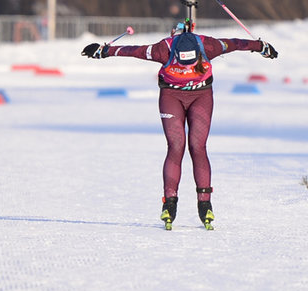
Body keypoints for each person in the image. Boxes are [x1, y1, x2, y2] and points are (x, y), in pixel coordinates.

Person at [82, 20, 277, 230]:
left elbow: (236, 43)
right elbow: (132, 50)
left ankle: (205, 204)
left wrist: (262, 47)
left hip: (201, 96)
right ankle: (170, 203)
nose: (186, 66)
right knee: (176, 146)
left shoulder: (209, 46)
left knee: (197, 146)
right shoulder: (162, 49)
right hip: (171, 95)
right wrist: (104, 51)